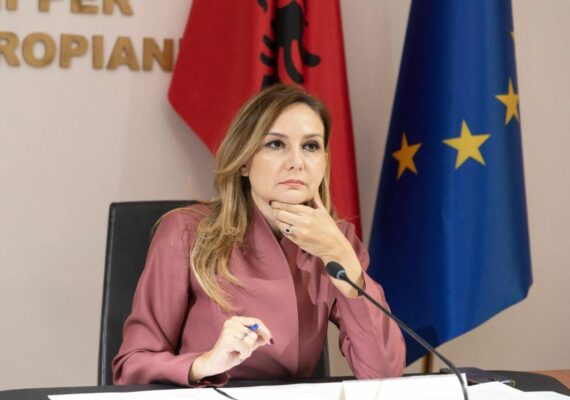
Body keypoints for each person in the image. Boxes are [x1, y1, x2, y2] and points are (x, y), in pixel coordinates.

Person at [112, 84, 406, 386]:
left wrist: (341, 256)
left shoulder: (336, 240)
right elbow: (132, 367)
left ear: (324, 161)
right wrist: (206, 363)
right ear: (243, 161)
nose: (296, 162)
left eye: (310, 146)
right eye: (276, 144)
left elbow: (384, 375)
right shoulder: (186, 232)